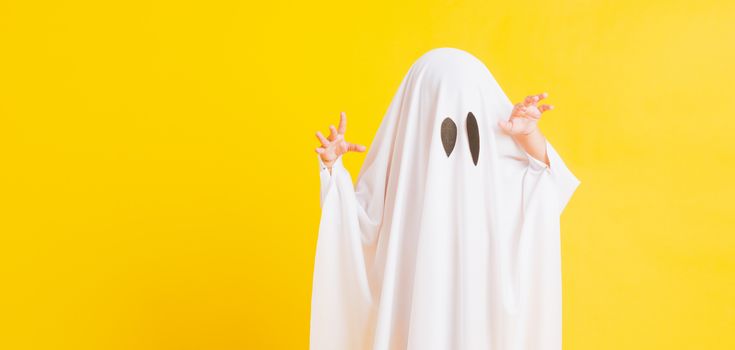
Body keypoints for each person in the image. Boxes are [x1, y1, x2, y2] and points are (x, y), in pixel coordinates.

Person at [310, 47, 581, 350]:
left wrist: (528, 137)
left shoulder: (494, 185)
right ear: (417, 119)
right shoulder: (398, 182)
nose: (453, 146)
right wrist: (333, 170)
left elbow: (546, 184)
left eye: (470, 125)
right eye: (443, 125)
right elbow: (356, 228)